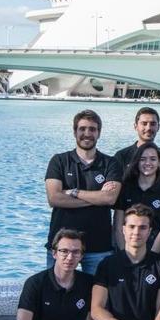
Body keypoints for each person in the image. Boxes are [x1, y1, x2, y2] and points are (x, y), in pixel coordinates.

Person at [84, 204, 160, 320]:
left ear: (150, 231)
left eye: (142, 227)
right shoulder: (108, 264)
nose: (136, 232)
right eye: (131, 227)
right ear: (123, 229)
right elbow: (96, 308)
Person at [44, 109, 121, 274]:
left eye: (92, 129)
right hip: (62, 245)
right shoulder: (59, 161)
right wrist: (97, 198)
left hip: (98, 245)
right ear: (74, 132)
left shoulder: (111, 163)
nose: (87, 133)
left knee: (97, 296)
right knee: (55, 292)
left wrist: (73, 192)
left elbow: (110, 198)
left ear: (99, 133)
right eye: (82, 129)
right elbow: (54, 198)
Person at [16, 228, 94, 320]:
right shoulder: (35, 283)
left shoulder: (88, 283)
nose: (69, 257)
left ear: (82, 256)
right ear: (54, 253)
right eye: (64, 251)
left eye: (75, 252)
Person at [114, 142, 160, 253]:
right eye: (143, 159)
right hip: (126, 251)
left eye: (153, 159)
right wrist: (124, 255)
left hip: (155, 251)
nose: (148, 163)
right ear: (137, 162)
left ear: (159, 162)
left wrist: (152, 255)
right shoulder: (125, 188)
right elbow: (118, 227)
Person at [112, 106, 160, 178]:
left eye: (153, 124)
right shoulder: (121, 156)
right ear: (135, 126)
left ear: (158, 127)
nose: (148, 128)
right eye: (144, 123)